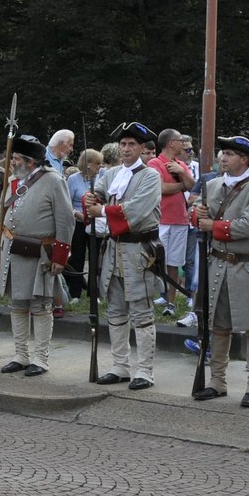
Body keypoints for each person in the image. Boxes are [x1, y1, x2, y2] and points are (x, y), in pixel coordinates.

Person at [191, 136, 249, 407]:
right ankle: (217, 381)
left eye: (229, 154)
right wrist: (197, 214)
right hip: (217, 264)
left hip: (247, 265)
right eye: (222, 153)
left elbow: (247, 226)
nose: (222, 158)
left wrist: (210, 225)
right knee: (218, 326)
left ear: (244, 159)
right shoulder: (213, 184)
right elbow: (194, 213)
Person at [86, 123, 163, 390]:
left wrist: (102, 211)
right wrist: (91, 198)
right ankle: (120, 366)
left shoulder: (151, 177)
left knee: (142, 312)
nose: (127, 149)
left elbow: (138, 210)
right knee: (116, 310)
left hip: (139, 252)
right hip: (113, 249)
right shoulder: (111, 174)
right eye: (123, 144)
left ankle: (145, 370)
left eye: (132, 144)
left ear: (143, 148)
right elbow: (99, 196)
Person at [0, 135, 74, 376]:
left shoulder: (54, 181)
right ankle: (21, 355)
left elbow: (66, 221)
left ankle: (41, 358)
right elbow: (0, 212)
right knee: (17, 303)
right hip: (11, 250)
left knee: (40, 305)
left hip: (40, 253)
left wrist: (60, 256)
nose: (12, 162)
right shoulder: (13, 182)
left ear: (30, 162)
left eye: (16, 158)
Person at [147, 128, 196, 318]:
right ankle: (150, 299)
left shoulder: (179, 164)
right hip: (162, 220)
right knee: (156, 261)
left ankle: (171, 302)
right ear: (170, 143)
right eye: (179, 140)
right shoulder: (154, 163)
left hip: (180, 220)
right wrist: (182, 184)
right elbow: (161, 188)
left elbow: (192, 186)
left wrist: (182, 175)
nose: (183, 144)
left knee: (175, 262)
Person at [64, 148, 102, 304]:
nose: (100, 166)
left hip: (97, 223)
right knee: (77, 257)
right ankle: (75, 293)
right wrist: (79, 215)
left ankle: (95, 293)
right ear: (88, 164)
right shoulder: (73, 179)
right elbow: (66, 201)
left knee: (96, 258)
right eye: (97, 163)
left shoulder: (103, 176)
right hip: (79, 223)